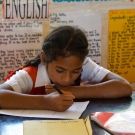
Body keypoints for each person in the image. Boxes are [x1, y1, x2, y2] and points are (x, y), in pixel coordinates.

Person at [0, 26, 132, 112]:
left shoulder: (83, 64)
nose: (67, 78)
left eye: (76, 72)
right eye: (60, 70)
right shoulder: (31, 74)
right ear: (44, 59)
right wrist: (44, 102)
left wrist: (70, 90)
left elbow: (124, 87)